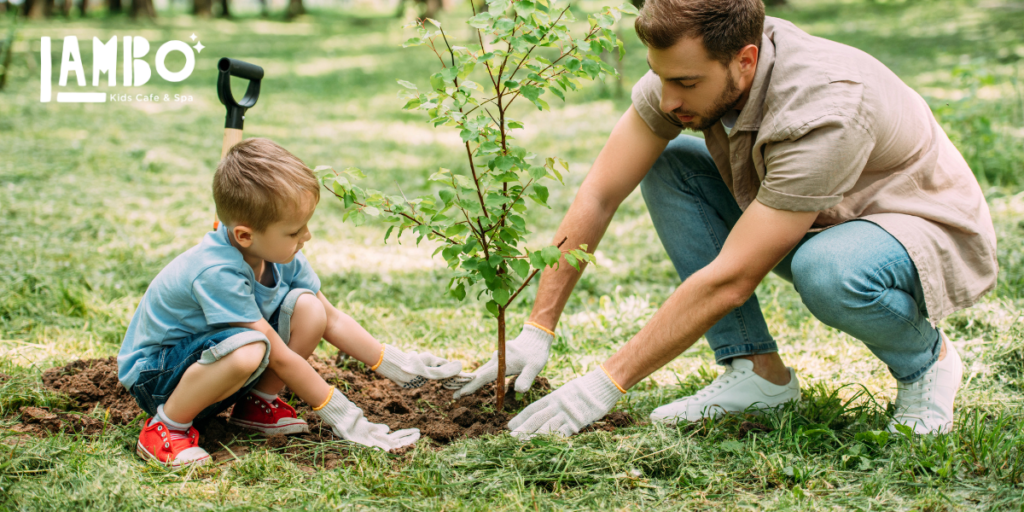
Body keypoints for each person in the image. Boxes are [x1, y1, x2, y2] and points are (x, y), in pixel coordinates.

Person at [456, 0, 997, 438]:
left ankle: (926, 363)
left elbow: (732, 278)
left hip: (915, 227)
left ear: (745, 60)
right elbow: (600, 192)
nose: (669, 99)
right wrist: (537, 328)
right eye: (660, 77)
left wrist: (604, 384)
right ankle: (758, 374)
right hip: (817, 214)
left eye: (686, 83)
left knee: (827, 268)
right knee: (670, 164)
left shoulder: (824, 109)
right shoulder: (689, 68)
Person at [117, 138, 468, 467]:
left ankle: (256, 405)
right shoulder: (216, 271)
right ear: (245, 235)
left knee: (309, 309)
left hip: (210, 365)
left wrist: (398, 365)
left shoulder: (279, 254)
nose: (306, 236)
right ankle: (166, 428)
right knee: (252, 347)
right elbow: (278, 355)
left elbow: (331, 319)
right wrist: (345, 416)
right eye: (294, 231)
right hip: (158, 378)